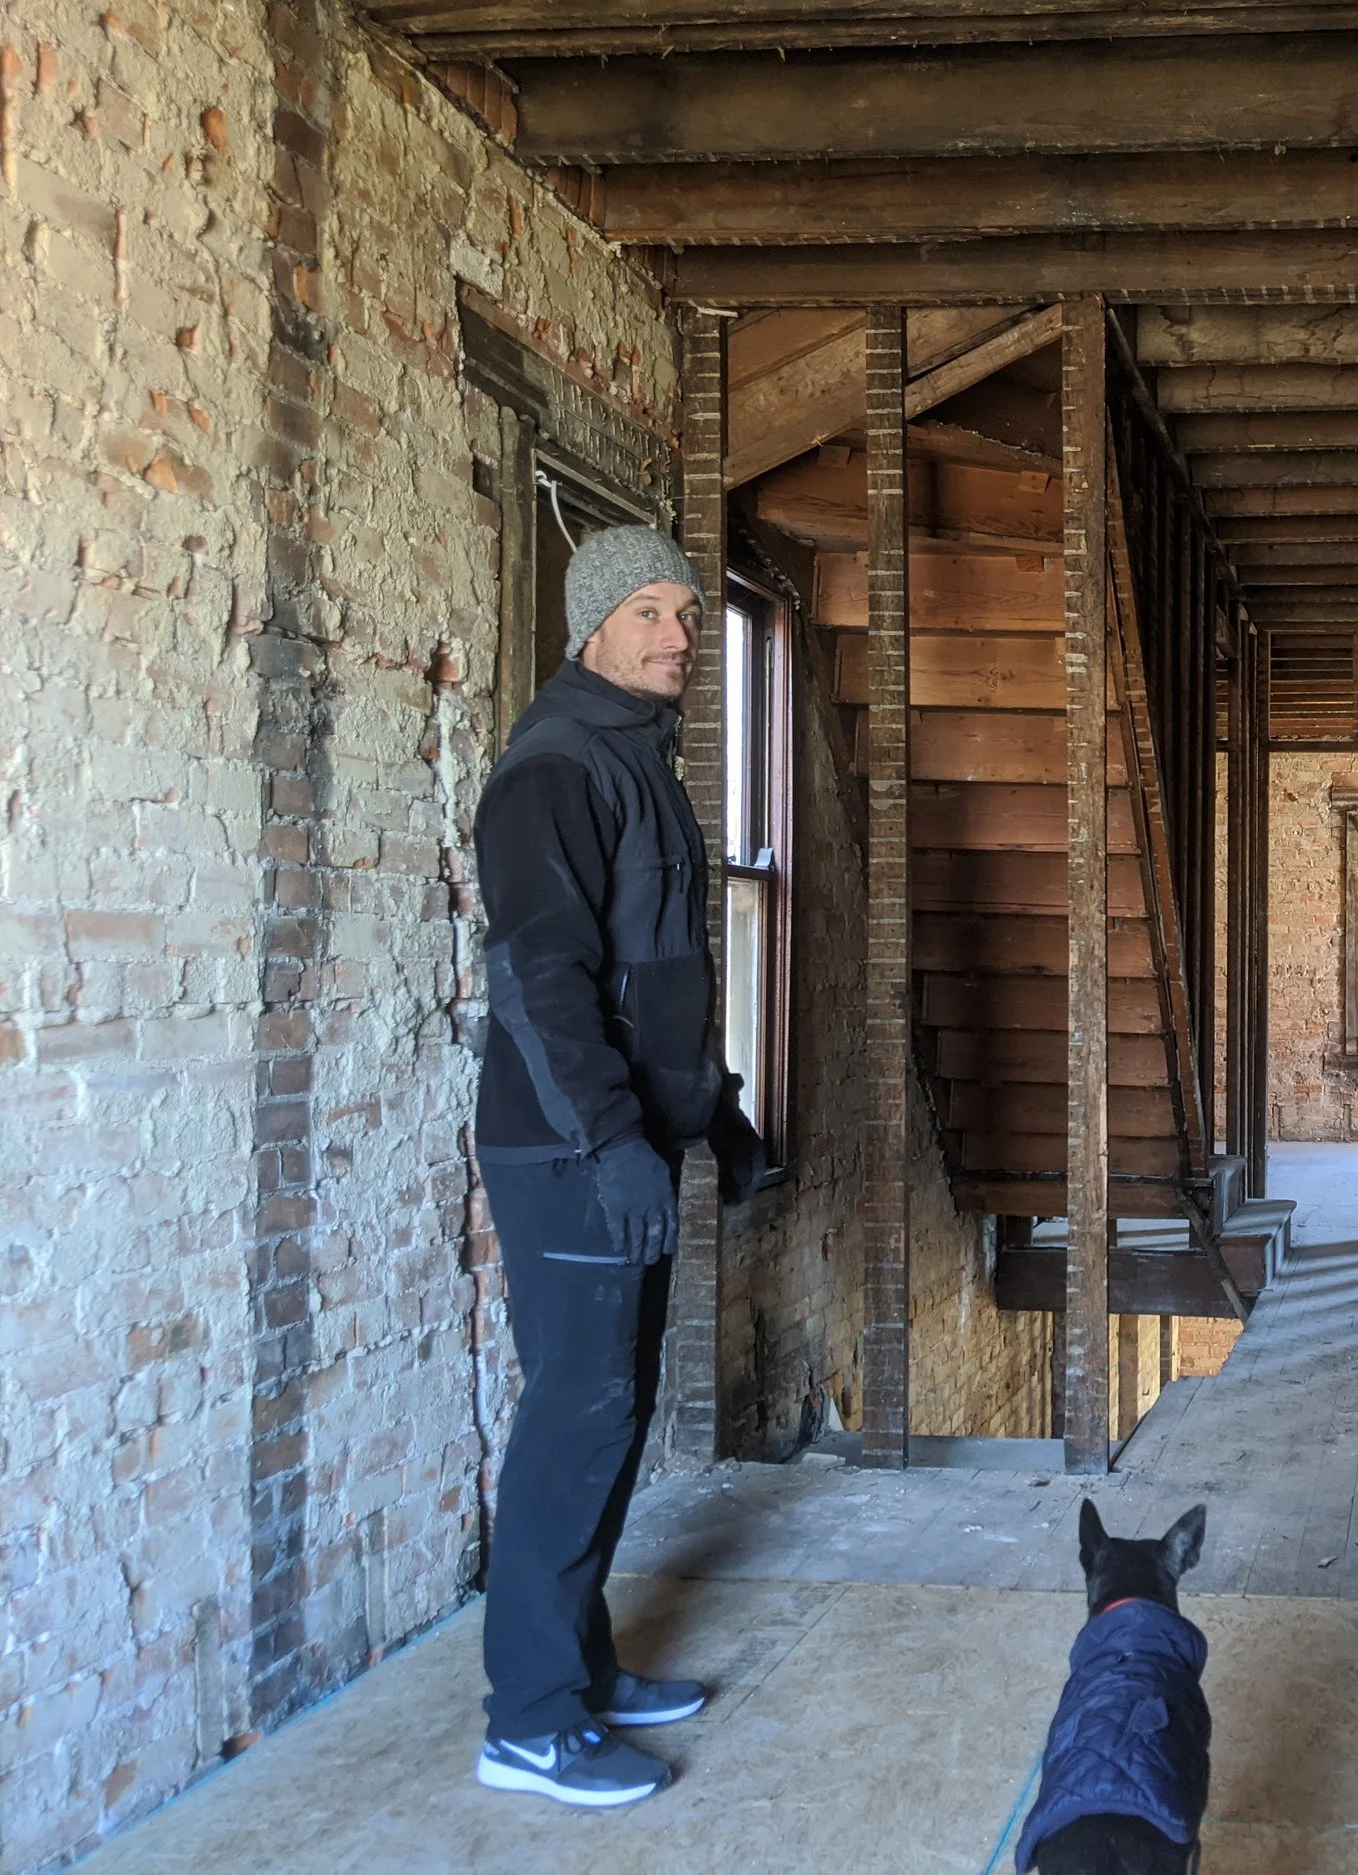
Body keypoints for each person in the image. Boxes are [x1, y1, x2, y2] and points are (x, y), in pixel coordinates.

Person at [468, 524, 769, 1808]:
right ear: (592, 625)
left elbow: (656, 980)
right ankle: (529, 1722)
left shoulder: (632, 760)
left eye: (690, 616)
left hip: (625, 1138)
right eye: (650, 611)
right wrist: (610, 1144)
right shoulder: (551, 770)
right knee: (576, 1418)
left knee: (611, 1410)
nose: (678, 636)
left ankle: (578, 1669)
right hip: (567, 1145)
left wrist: (715, 1116)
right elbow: (543, 982)